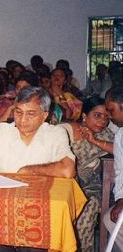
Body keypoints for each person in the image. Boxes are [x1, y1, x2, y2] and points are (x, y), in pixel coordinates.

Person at [0, 86, 75, 252]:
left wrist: (26, 171)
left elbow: (67, 170)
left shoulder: (56, 134)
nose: (22, 119)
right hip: (0, 210)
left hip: (39, 212)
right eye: (18, 112)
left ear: (45, 115)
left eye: (30, 113)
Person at [60, 96, 114, 251]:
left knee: (87, 208)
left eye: (106, 117)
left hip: (93, 188)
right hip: (65, 183)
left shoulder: (106, 135)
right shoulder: (67, 129)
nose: (102, 121)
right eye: (97, 115)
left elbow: (120, 149)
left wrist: (95, 141)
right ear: (84, 116)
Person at [103, 86, 123, 251]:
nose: (109, 116)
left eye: (111, 110)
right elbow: (120, 171)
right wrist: (121, 200)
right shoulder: (120, 136)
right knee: (110, 220)